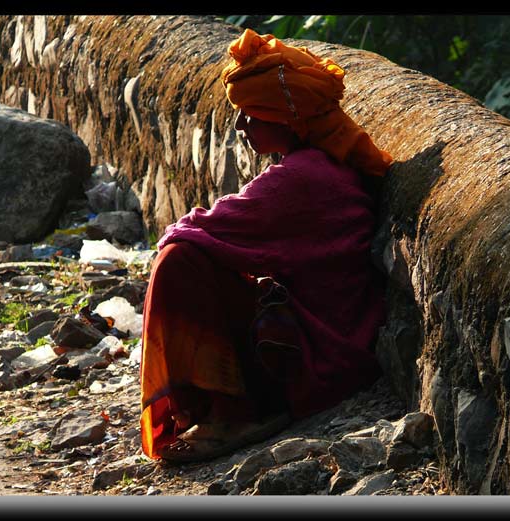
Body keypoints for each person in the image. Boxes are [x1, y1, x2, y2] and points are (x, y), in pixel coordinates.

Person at [139, 28, 394, 462]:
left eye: (251, 115)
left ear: (289, 119)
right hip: (331, 343)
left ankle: (236, 411)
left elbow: (195, 229)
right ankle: (224, 404)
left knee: (179, 262)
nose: (241, 127)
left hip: (318, 360)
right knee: (193, 259)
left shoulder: (302, 179)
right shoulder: (321, 165)